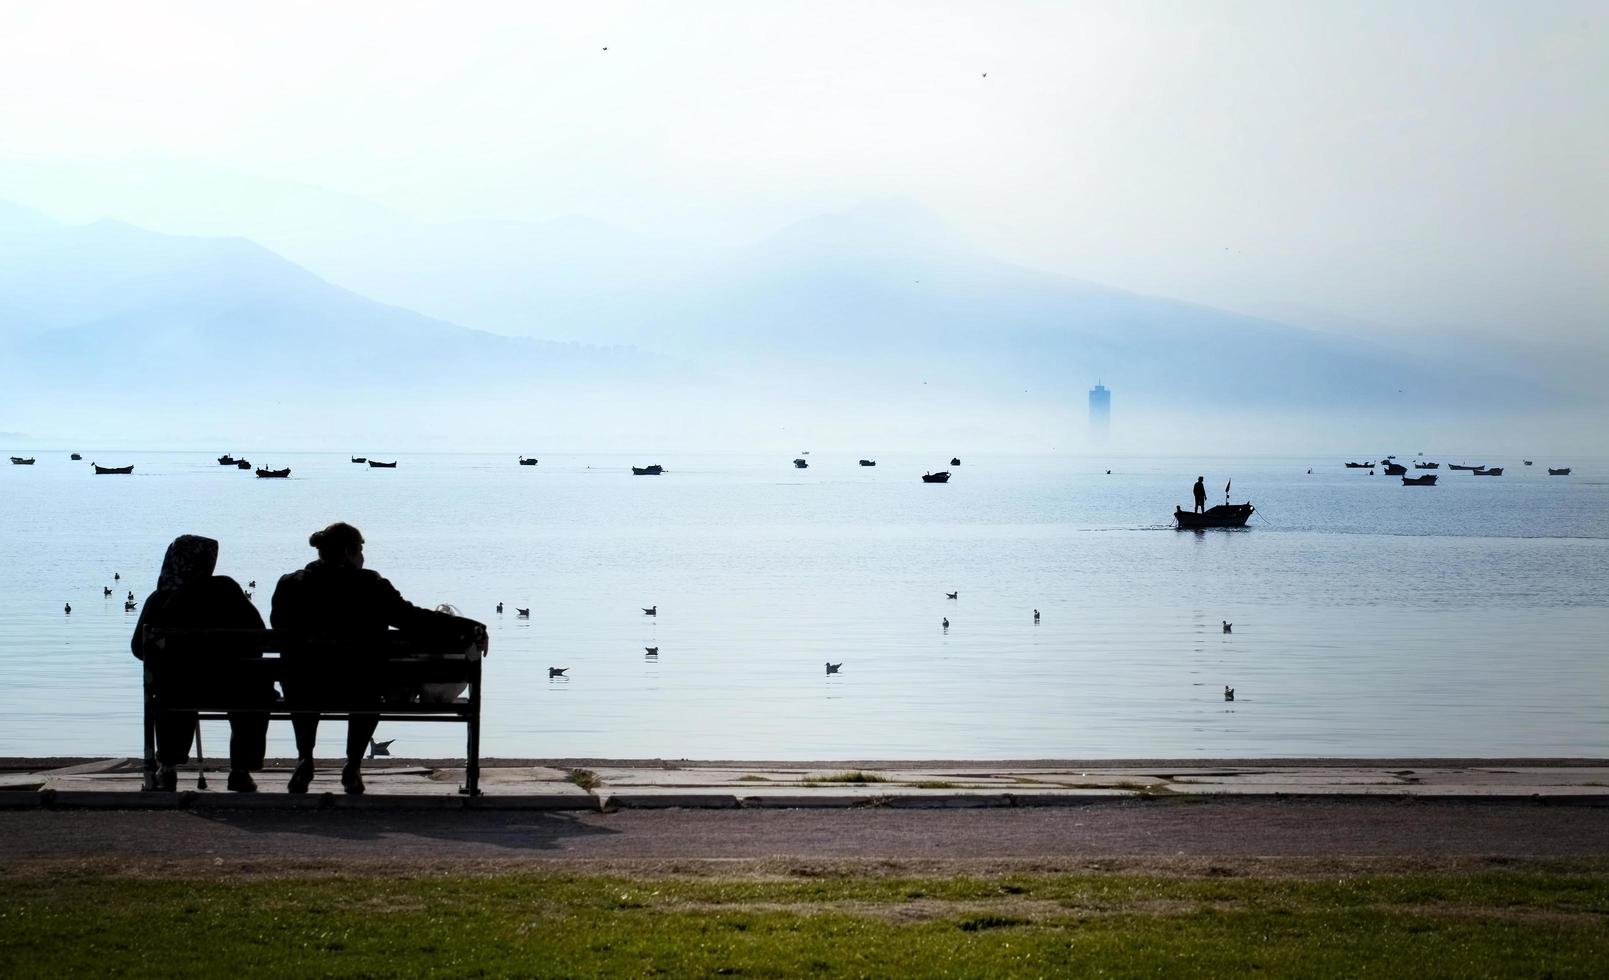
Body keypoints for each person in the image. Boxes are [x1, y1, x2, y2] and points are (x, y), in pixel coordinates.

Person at [271, 522, 480, 795]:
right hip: (358, 685)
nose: (363, 557)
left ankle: (305, 758)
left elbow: (278, 627)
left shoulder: (290, 585)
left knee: (303, 679)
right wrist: (468, 626)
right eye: (360, 550)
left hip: (304, 685)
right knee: (368, 684)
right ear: (348, 551)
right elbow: (412, 619)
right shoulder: (370, 584)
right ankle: (353, 765)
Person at [131, 534, 270, 792]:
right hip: (233, 687)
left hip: (179, 689)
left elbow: (139, 649)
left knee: (170, 688)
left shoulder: (159, 599)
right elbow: (259, 639)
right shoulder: (227, 590)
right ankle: (240, 771)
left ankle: (168, 768)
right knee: (255, 691)